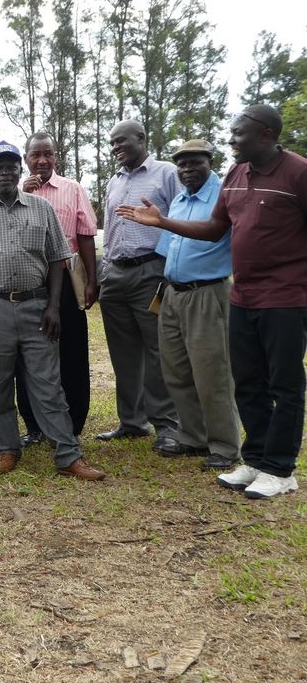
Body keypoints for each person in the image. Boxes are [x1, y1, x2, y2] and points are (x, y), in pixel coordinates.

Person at [117, 105, 306, 499]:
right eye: (232, 133)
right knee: (247, 382)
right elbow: (216, 228)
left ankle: (279, 468)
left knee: (281, 385)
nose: (233, 139)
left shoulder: (298, 173)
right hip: (239, 296)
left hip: (284, 298)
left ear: (268, 134)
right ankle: (253, 460)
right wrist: (162, 222)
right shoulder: (238, 177)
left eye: (239, 133)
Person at [0, 141, 105, 481]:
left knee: (47, 382)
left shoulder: (41, 209)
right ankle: (8, 449)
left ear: (20, 170)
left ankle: (67, 454)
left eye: (11, 166)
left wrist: (54, 306)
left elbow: (59, 258)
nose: (5, 172)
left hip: (36, 306)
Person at [147, 139, 241, 471]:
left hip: (207, 293)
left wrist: (161, 222)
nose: (187, 169)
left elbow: (215, 234)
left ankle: (225, 446)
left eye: (194, 162)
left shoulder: (223, 196)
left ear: (210, 162)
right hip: (173, 293)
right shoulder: (178, 199)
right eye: (182, 164)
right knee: (176, 370)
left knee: (212, 373)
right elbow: (168, 247)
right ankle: (192, 436)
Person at [97, 120, 180, 450]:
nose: (117, 147)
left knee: (157, 350)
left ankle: (167, 424)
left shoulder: (166, 173)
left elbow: (181, 219)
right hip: (114, 273)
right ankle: (132, 421)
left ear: (142, 138)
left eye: (122, 141)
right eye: (112, 142)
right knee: (123, 353)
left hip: (150, 272)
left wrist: (166, 266)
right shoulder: (114, 180)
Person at [15, 132, 98, 444]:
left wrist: (92, 280)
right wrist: (22, 193)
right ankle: (34, 426)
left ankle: (72, 424)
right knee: (28, 355)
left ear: (55, 156)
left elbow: (86, 235)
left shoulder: (72, 189)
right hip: (28, 282)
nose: (42, 160)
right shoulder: (18, 190)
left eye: (47, 154)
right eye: (35, 155)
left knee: (71, 351)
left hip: (65, 281)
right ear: (26, 159)